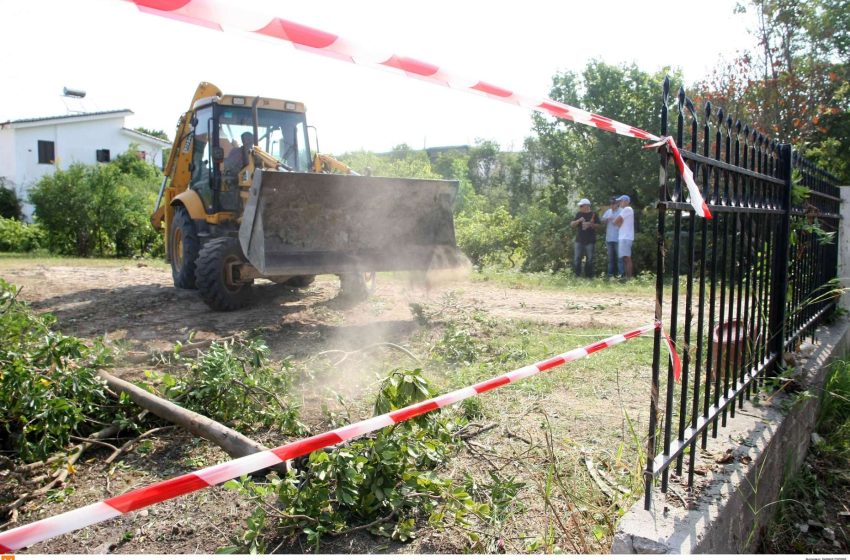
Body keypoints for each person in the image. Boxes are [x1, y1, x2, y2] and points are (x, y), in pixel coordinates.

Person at [570, 198, 600, 278]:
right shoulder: (579, 214)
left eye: (581, 205)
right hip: (579, 240)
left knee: (589, 259)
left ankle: (589, 277)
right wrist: (578, 221)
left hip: (590, 241)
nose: (580, 207)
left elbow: (599, 226)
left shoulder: (594, 214)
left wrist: (590, 224)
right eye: (580, 206)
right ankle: (577, 276)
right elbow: (572, 225)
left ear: (587, 206)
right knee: (577, 259)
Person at [613, 194, 635, 279]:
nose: (619, 203)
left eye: (621, 201)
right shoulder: (626, 210)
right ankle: (627, 277)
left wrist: (619, 223)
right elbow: (618, 222)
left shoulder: (627, 209)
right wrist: (619, 223)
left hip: (626, 237)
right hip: (624, 237)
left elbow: (615, 221)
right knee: (625, 258)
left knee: (627, 258)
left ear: (626, 201)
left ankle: (629, 278)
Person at [600, 196, 620, 278]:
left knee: (620, 259)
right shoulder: (608, 211)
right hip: (609, 238)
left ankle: (621, 276)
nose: (612, 205)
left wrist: (615, 220)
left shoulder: (621, 211)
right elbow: (602, 221)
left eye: (613, 203)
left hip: (618, 238)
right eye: (611, 203)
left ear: (617, 204)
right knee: (610, 259)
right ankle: (610, 275)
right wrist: (607, 219)